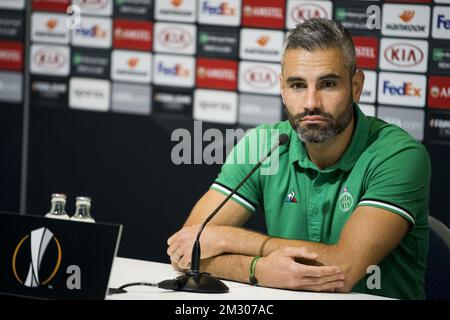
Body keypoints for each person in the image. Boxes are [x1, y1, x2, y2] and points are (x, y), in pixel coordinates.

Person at [167, 18, 431, 300]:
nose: (311, 103)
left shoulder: (398, 155)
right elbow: (186, 249)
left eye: (328, 84)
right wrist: (257, 269)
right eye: (297, 85)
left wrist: (232, 239)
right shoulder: (264, 145)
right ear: (282, 88)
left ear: (356, 85)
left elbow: (343, 269)